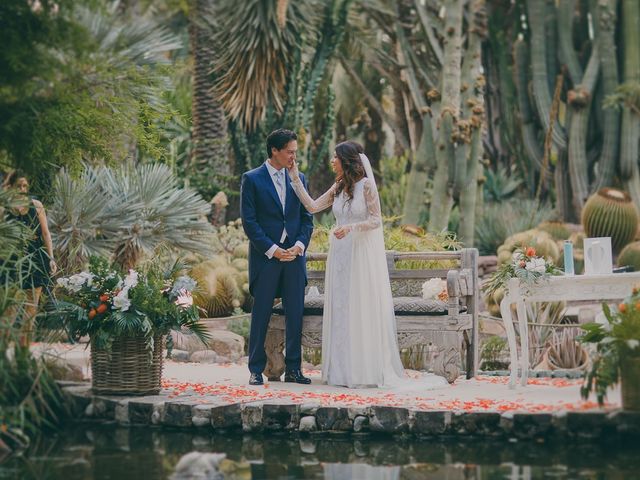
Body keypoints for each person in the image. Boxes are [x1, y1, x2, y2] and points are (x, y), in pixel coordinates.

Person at [287, 141, 448, 389]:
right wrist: (295, 179)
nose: (332, 161)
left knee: (358, 307)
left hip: (360, 254)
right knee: (341, 308)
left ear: (346, 160)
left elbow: (376, 220)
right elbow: (312, 206)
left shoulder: (367, 186)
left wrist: (350, 227)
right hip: (340, 254)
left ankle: (362, 371)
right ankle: (341, 371)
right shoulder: (339, 187)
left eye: (335, 157)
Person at [240, 129, 314, 386]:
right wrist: (272, 249)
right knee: (260, 315)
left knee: (295, 313)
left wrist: (298, 246)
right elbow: (249, 222)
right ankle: (255, 369)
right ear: (275, 151)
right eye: (290, 151)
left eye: (295, 151)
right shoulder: (252, 179)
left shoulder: (300, 179)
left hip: (294, 257)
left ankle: (294, 369)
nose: (294, 156)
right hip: (267, 258)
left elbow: (307, 219)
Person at [3, 170, 57, 345]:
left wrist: (51, 258)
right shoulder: (3, 209)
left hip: (35, 262)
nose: (22, 189)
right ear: (10, 187)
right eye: (18, 185)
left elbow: (46, 234)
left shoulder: (36, 205)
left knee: (30, 312)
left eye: (25, 185)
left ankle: (23, 356)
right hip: (11, 264)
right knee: (8, 312)